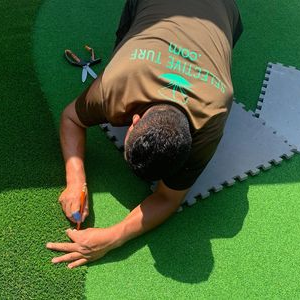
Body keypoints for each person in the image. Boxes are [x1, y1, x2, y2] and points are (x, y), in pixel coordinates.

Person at [46, 0, 243, 269]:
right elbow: (71, 117)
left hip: (223, 9)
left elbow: (168, 198)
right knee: (125, 39)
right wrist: (75, 180)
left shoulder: (213, 116)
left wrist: (110, 238)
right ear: (134, 119)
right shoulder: (117, 80)